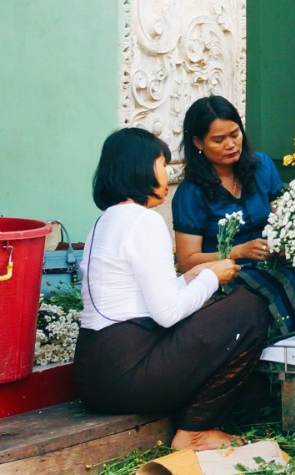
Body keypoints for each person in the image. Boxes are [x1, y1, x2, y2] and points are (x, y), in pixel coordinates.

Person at [72, 127, 273, 451]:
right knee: (248, 308)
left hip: (93, 374)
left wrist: (195, 274)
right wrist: (211, 278)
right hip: (127, 373)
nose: (167, 175)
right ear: (140, 168)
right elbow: (166, 314)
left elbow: (143, 299)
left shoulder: (105, 221)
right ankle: (195, 430)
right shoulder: (143, 221)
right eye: (161, 165)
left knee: (220, 309)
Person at [171, 95, 284, 273]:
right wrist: (236, 252)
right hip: (227, 278)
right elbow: (187, 262)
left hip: (274, 267)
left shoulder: (262, 166)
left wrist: (285, 242)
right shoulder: (191, 193)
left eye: (235, 134)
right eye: (218, 140)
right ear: (198, 142)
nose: (231, 145)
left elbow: (283, 218)